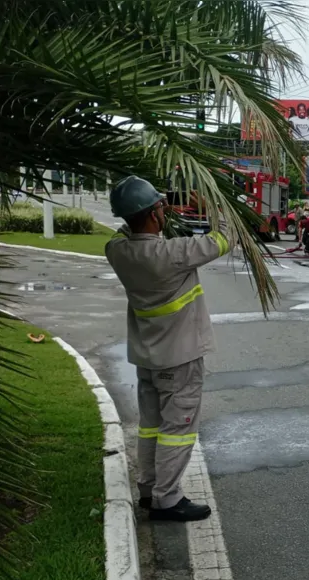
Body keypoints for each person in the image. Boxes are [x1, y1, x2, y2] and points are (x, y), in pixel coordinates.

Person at [104, 176, 229, 522]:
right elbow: (224, 237)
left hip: (147, 358)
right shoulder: (173, 253)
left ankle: (148, 490)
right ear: (154, 213)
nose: (166, 209)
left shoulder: (117, 251)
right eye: (161, 206)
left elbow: (124, 232)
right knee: (177, 431)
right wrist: (214, 202)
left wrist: (145, 214)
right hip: (180, 358)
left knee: (151, 426)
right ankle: (167, 499)